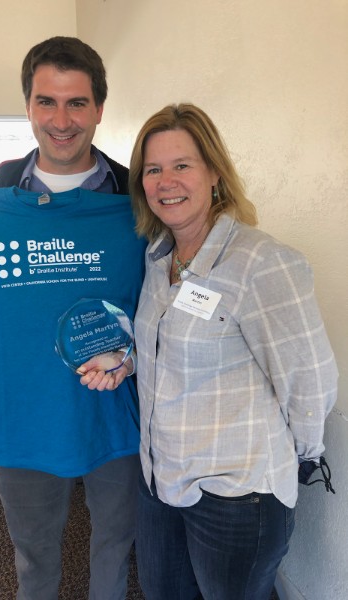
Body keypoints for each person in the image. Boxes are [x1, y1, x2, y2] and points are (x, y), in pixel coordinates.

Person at [0, 37, 146, 600]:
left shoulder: (137, 201)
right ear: (28, 107)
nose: (61, 120)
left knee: (116, 545)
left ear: (98, 109)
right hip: (23, 412)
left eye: (76, 103)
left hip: (118, 411)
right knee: (34, 559)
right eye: (47, 102)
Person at [127, 103, 338, 600]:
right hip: (161, 478)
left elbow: (309, 380)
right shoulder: (158, 259)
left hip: (236, 494)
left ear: (215, 174)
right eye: (153, 169)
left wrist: (302, 456)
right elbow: (166, 352)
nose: (166, 181)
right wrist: (126, 361)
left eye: (182, 165)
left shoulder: (262, 263)